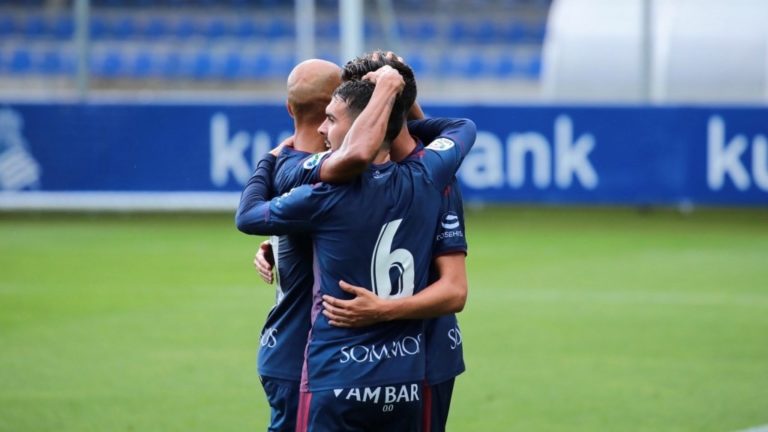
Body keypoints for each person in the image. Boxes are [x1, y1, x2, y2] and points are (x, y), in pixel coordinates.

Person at [236, 65, 475, 430]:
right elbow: (461, 129)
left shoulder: (302, 175)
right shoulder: (430, 176)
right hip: (400, 367)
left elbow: (455, 290)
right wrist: (283, 246)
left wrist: (384, 309)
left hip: (350, 367)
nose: (324, 127)